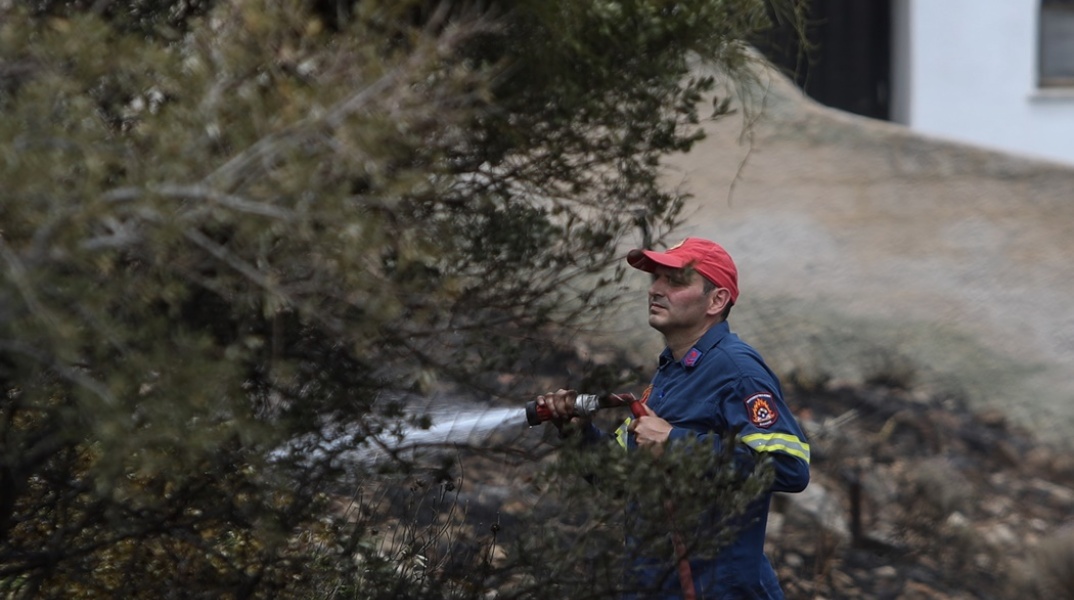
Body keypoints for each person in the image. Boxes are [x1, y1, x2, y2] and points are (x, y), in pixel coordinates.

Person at [535, 237, 810, 599]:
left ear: (716, 301)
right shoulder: (673, 372)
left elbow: (790, 467)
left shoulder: (736, 369)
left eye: (676, 281)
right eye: (656, 279)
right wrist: (578, 433)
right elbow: (621, 476)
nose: (656, 290)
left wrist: (675, 443)